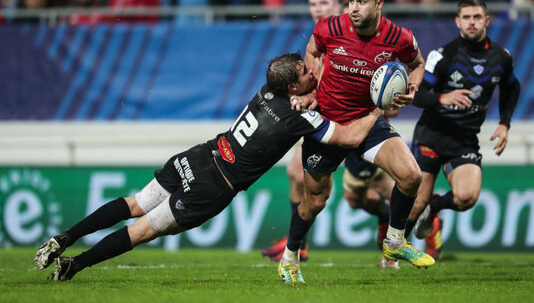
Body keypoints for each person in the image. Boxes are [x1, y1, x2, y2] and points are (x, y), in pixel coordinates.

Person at [34, 52, 384, 282]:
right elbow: (350, 139)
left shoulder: (267, 90)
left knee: (133, 203)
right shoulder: (299, 119)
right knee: (141, 230)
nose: (314, 70)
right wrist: (375, 111)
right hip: (213, 186)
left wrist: (312, 94)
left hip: (199, 155)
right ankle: (73, 266)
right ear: (293, 86)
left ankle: (64, 237)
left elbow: (305, 89)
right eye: (307, 71)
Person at [278, 0, 435, 284]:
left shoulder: (399, 37)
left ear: (379, 3)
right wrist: (312, 88)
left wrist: (413, 89)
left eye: (361, 1)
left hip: (367, 120)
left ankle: (394, 241)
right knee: (314, 203)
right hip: (326, 123)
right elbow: (311, 52)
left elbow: (417, 64)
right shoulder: (329, 27)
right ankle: (290, 256)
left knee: (411, 175)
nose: (353, 8)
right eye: (350, 1)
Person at [261, 0, 398, 269]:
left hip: (360, 124)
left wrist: (383, 104)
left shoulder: (360, 38)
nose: (317, 8)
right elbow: (308, 84)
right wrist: (304, 97)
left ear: (340, 5)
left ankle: (411, 220)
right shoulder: (319, 41)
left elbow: (386, 91)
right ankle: (299, 245)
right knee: (296, 174)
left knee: (364, 194)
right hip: (326, 124)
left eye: (324, 2)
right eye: (313, 3)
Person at [407, 0, 521, 260]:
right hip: (432, 136)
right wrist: (441, 97)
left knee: (467, 197)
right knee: (415, 204)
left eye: (477, 17)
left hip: (465, 140)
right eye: (467, 17)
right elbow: (417, 93)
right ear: (458, 21)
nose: (472, 22)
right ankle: (391, 253)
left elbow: (512, 88)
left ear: (487, 20)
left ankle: (435, 206)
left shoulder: (501, 58)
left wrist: (504, 123)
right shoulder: (443, 56)